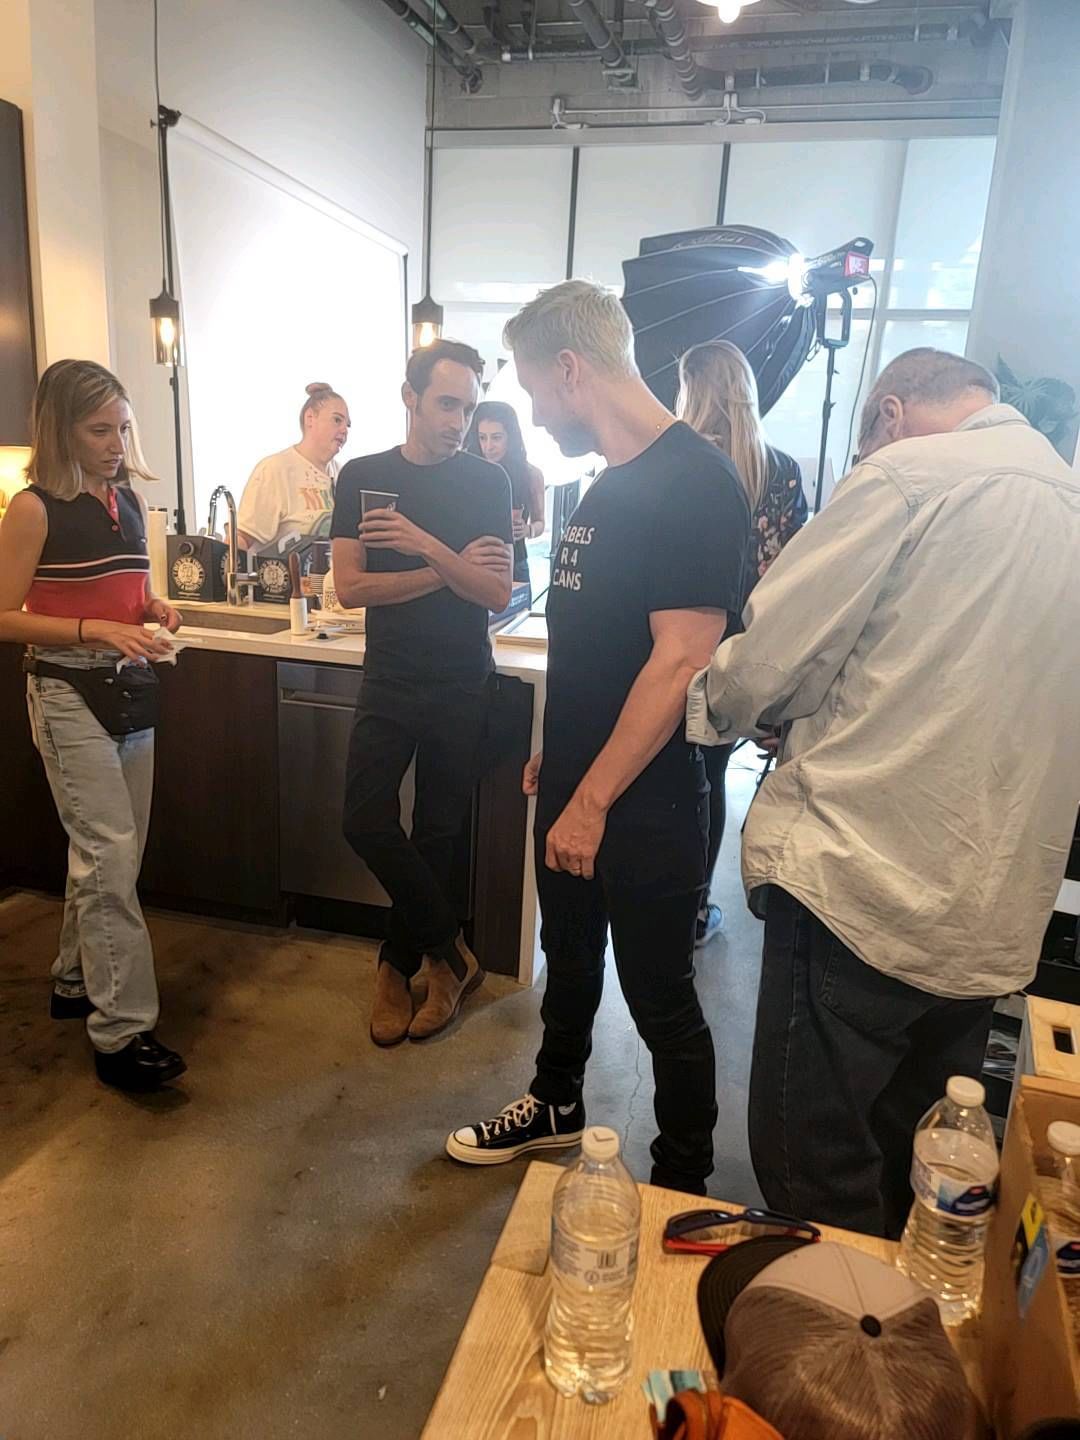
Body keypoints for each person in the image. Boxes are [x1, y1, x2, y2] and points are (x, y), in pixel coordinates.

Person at [686, 348, 1080, 1237]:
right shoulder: (1069, 504)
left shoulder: (906, 478)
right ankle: (897, 1317)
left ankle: (828, 1318)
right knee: (923, 1169)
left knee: (812, 1168)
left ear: (890, 414)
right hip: (991, 919)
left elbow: (766, 661)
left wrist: (705, 706)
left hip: (863, 890)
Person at [446, 281, 749, 1194]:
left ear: (571, 370)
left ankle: (680, 1181)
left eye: (535, 390)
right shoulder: (608, 485)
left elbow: (680, 659)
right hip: (581, 776)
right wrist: (563, 749)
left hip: (646, 802)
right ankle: (555, 1104)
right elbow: (596, 647)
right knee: (571, 964)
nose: (535, 415)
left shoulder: (696, 481)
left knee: (660, 1000)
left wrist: (592, 799)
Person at [0, 360, 186, 1092]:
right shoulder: (34, 508)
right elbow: (4, 616)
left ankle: (74, 979)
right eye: (99, 429)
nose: (116, 444)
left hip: (129, 687)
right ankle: (121, 1032)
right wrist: (93, 631)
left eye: (122, 428)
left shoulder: (127, 500)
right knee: (110, 853)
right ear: (61, 429)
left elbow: (131, 595)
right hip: (65, 690)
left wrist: (153, 611)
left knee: (113, 852)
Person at [330, 340, 513, 1046]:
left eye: (468, 407)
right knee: (364, 818)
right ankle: (451, 952)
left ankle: (399, 965)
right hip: (390, 675)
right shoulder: (364, 477)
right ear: (409, 397)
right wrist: (449, 569)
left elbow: (494, 592)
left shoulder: (487, 482)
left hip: (462, 678)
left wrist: (424, 545)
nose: (459, 422)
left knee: (439, 830)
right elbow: (352, 588)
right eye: (446, 404)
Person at [677, 340, 808, 947]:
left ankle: (659, 904)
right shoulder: (781, 471)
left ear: (692, 390)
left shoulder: (674, 464)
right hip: (743, 653)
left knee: (670, 778)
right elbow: (792, 578)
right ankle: (696, 911)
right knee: (712, 775)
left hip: (676, 639)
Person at [234, 382, 350, 554]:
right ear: (310, 418)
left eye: (348, 425)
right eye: (337, 420)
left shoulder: (344, 475)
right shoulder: (275, 470)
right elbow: (241, 539)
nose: (344, 430)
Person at [465, 401, 545, 584]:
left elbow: (540, 522)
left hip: (515, 563)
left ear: (511, 437)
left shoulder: (530, 474)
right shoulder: (467, 471)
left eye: (496, 438)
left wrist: (528, 530)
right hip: (473, 563)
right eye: (482, 438)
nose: (488, 446)